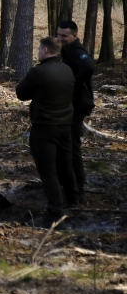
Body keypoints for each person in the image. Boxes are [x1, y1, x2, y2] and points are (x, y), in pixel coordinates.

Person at [15, 36, 78, 217]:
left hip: (44, 126)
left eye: (39, 49)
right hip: (65, 124)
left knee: (48, 169)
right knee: (66, 164)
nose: (38, 52)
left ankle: (55, 207)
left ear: (45, 50)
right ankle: (74, 198)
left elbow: (21, 93)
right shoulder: (67, 70)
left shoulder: (39, 72)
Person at [56, 20, 95, 193]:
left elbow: (88, 67)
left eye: (64, 36)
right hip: (69, 104)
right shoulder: (66, 50)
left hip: (78, 104)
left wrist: (72, 84)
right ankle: (67, 181)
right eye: (58, 35)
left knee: (72, 144)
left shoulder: (78, 51)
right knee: (65, 143)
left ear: (75, 36)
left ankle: (78, 185)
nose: (61, 38)